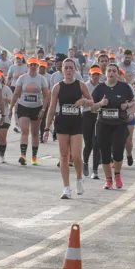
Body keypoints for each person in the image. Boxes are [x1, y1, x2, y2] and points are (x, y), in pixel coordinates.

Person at [44, 58, 93, 199]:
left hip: (77, 123)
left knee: (76, 156)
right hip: (62, 122)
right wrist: (47, 128)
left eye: (71, 68)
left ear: (75, 69)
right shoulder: (57, 87)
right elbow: (52, 108)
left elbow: (92, 103)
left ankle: (79, 178)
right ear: (62, 70)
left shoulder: (81, 85)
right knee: (64, 156)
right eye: (66, 68)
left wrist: (83, 101)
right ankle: (66, 188)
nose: (69, 70)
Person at [90, 64, 135, 189]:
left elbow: (133, 102)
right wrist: (101, 103)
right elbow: (91, 106)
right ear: (105, 74)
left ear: (117, 74)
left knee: (117, 151)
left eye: (114, 71)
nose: (111, 73)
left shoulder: (124, 87)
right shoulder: (100, 88)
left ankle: (117, 175)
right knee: (104, 153)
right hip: (103, 124)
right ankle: (108, 180)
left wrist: (127, 107)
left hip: (119, 124)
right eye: (109, 71)